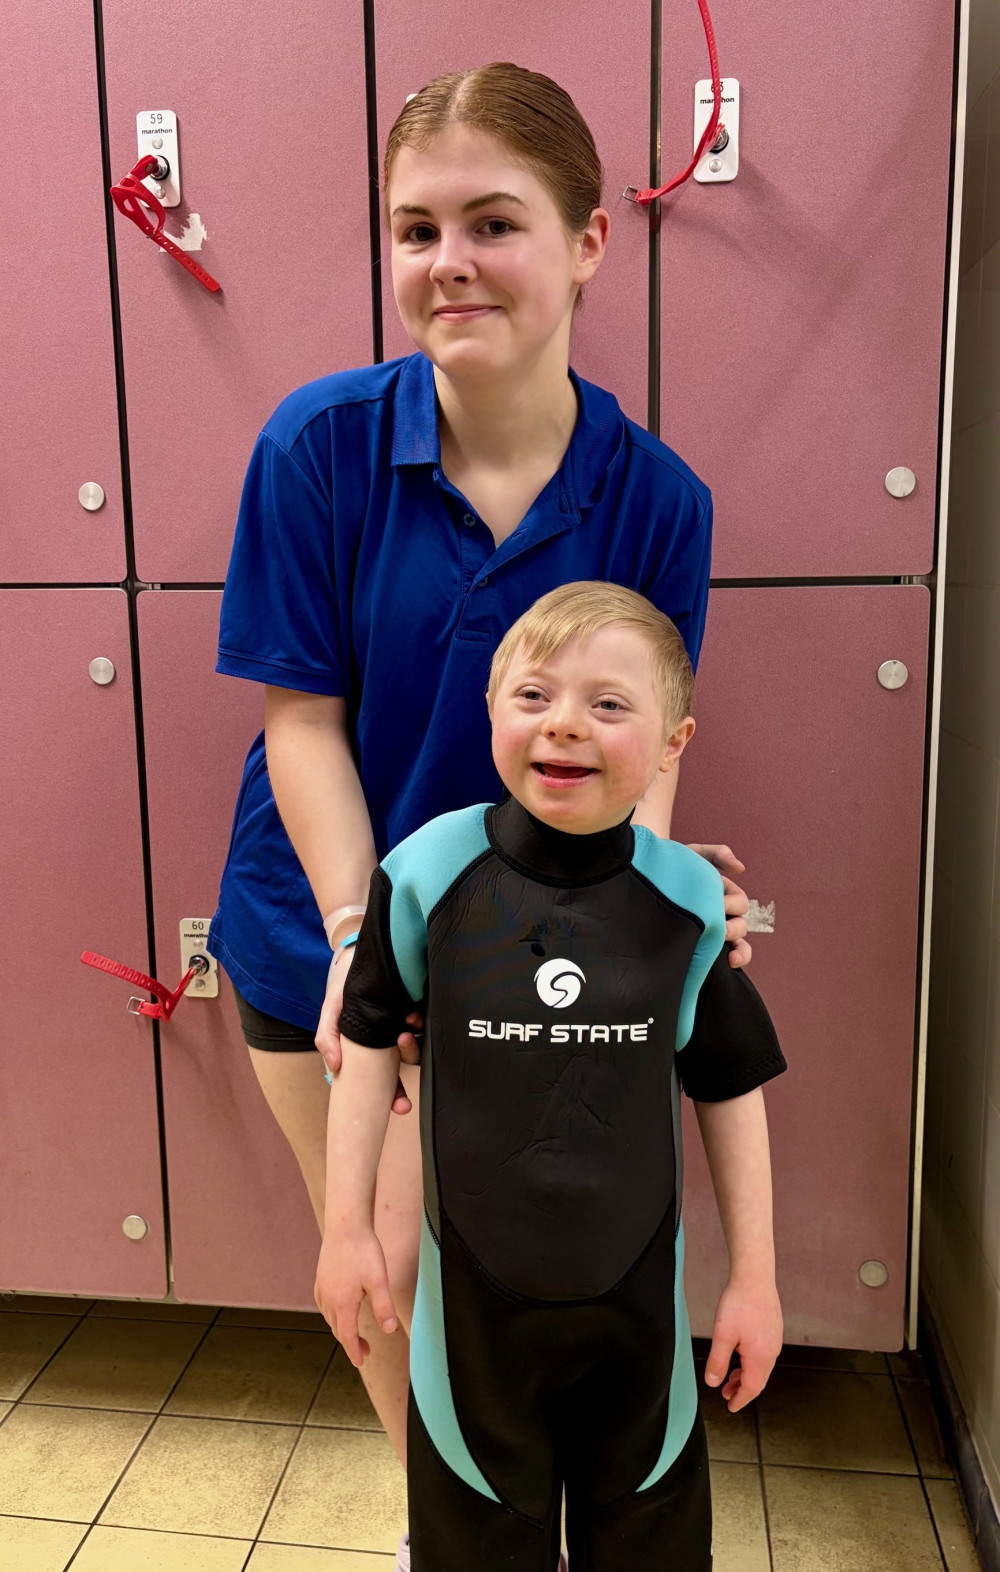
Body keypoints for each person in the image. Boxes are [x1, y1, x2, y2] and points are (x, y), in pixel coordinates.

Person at [207, 63, 754, 1570]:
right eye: (414, 227)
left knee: (522, 1274)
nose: (447, 261)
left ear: (588, 241)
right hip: (322, 947)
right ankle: (450, 1530)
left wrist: (655, 902)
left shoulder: (659, 501)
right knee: (386, 1279)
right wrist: (353, 938)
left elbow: (641, 741)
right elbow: (300, 719)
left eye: (494, 221)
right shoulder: (318, 448)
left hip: (536, 963)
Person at [316, 583, 786, 1572]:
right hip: (471, 1340)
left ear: (672, 742)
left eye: (609, 704)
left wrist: (756, 1278)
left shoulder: (689, 902)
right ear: (491, 713)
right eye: (533, 695)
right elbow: (364, 1055)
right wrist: (345, 1229)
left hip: (638, 1336)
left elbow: (729, 1086)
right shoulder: (424, 874)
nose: (565, 723)